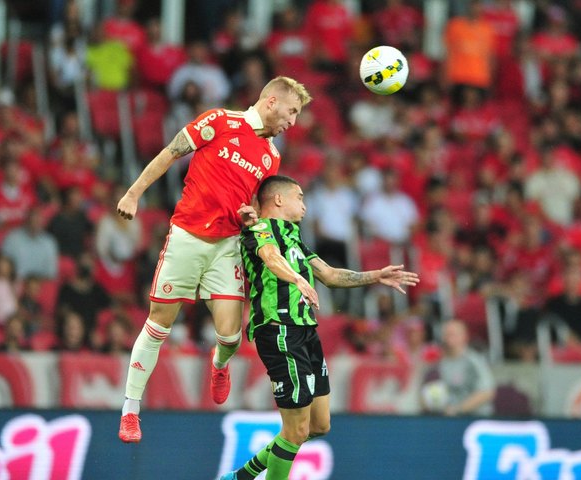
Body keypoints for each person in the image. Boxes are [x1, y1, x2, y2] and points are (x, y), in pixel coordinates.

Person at [117, 76, 312, 443]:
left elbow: (255, 206)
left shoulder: (272, 156)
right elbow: (171, 152)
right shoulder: (219, 121)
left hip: (226, 246)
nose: (293, 121)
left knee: (231, 335)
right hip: (187, 238)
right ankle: (130, 410)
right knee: (159, 325)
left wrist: (251, 218)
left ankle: (219, 364)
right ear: (271, 101)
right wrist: (133, 194)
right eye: (292, 111)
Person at [220, 175, 419, 480]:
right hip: (279, 328)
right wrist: (297, 279)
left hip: (306, 331)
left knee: (318, 426)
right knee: (295, 429)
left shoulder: (294, 238)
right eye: (299, 197)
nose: (304, 204)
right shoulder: (259, 228)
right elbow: (270, 258)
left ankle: (241, 477)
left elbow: (329, 274)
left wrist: (376, 275)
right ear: (278, 200)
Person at [422, 319, 495, 416]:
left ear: (464, 336)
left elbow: (487, 392)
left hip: (475, 417)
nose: (448, 337)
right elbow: (431, 391)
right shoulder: (440, 362)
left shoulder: (474, 361)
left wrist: (458, 409)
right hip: (448, 418)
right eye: (446, 334)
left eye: (453, 334)